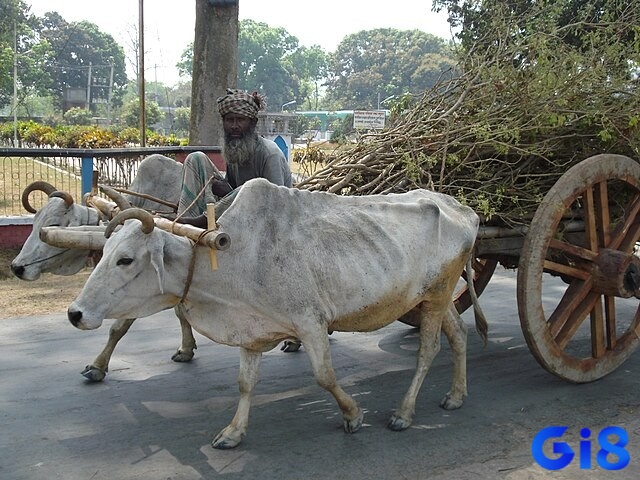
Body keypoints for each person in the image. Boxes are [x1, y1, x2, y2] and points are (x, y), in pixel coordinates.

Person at [175, 88, 292, 228]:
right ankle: (186, 217)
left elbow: (276, 203)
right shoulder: (234, 150)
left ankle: (203, 221)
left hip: (265, 220)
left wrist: (229, 192)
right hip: (235, 212)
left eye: (240, 120)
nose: (234, 126)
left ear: (253, 123)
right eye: (230, 120)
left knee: (253, 187)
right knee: (195, 158)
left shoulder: (270, 153)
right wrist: (221, 188)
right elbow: (229, 192)